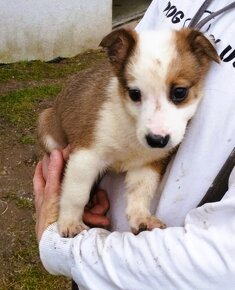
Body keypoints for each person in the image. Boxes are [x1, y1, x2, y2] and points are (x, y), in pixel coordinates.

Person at [33, 0, 235, 289]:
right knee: (58, 132)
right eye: (137, 96)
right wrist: (69, 213)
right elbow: (85, 157)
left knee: (150, 154)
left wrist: (65, 248)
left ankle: (138, 212)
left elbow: (225, 265)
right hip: (95, 245)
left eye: (178, 94)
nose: (156, 127)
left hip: (147, 269)